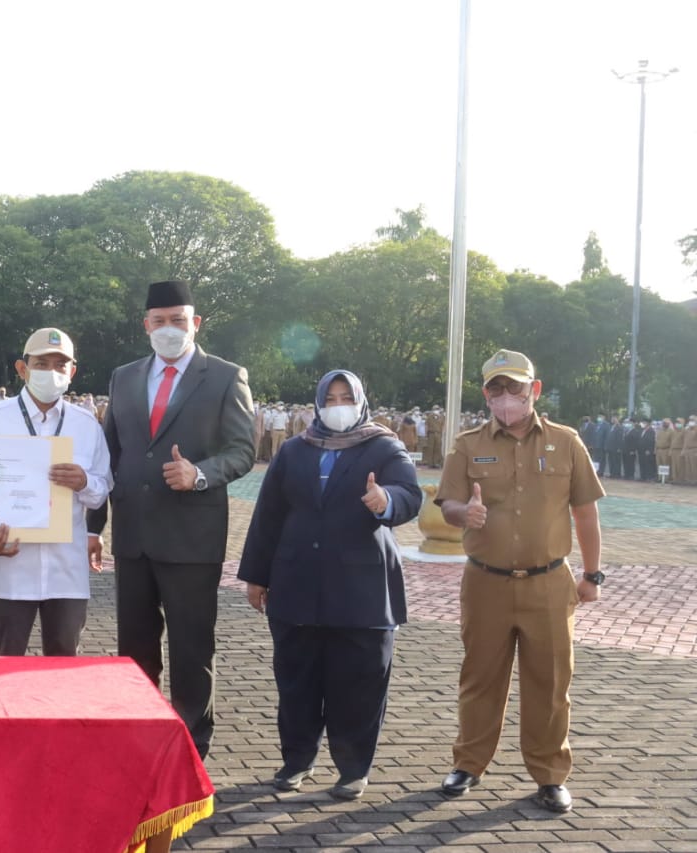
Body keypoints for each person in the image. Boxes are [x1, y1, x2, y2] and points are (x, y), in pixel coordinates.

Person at [88, 279, 255, 759]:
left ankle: (188, 746)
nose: (168, 329)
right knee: (134, 647)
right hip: (134, 535)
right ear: (146, 326)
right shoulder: (124, 377)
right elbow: (109, 457)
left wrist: (200, 473)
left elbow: (242, 450)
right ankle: (140, 736)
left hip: (192, 536)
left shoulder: (225, 376)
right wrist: (93, 527)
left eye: (178, 320)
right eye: (159, 321)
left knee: (191, 649)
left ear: (195, 323)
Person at [238, 370, 421, 800]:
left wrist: (386, 500)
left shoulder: (384, 445)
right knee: (297, 679)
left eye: (346, 398)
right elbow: (268, 514)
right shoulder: (295, 450)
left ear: (361, 402)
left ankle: (353, 768)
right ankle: (296, 760)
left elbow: (409, 494)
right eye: (331, 398)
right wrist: (256, 575)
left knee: (358, 682)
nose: (338, 406)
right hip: (296, 581)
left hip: (361, 590)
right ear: (318, 403)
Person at [435, 349, 604, 813]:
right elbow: (446, 504)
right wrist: (462, 513)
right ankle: (468, 764)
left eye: (515, 387)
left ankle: (550, 774)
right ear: (486, 394)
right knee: (480, 678)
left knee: (550, 684)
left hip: (549, 583)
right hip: (485, 582)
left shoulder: (567, 442)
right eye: (496, 388)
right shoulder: (467, 444)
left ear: (535, 389)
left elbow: (585, 511)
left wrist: (592, 574)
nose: (506, 397)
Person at [0, 327, 111, 656]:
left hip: (66, 568)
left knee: (63, 658)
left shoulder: (87, 425)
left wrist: (84, 482)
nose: (51, 372)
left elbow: (102, 490)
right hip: (10, 564)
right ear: (23, 369)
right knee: (6, 658)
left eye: (60, 365)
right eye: (42, 363)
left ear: (72, 372)